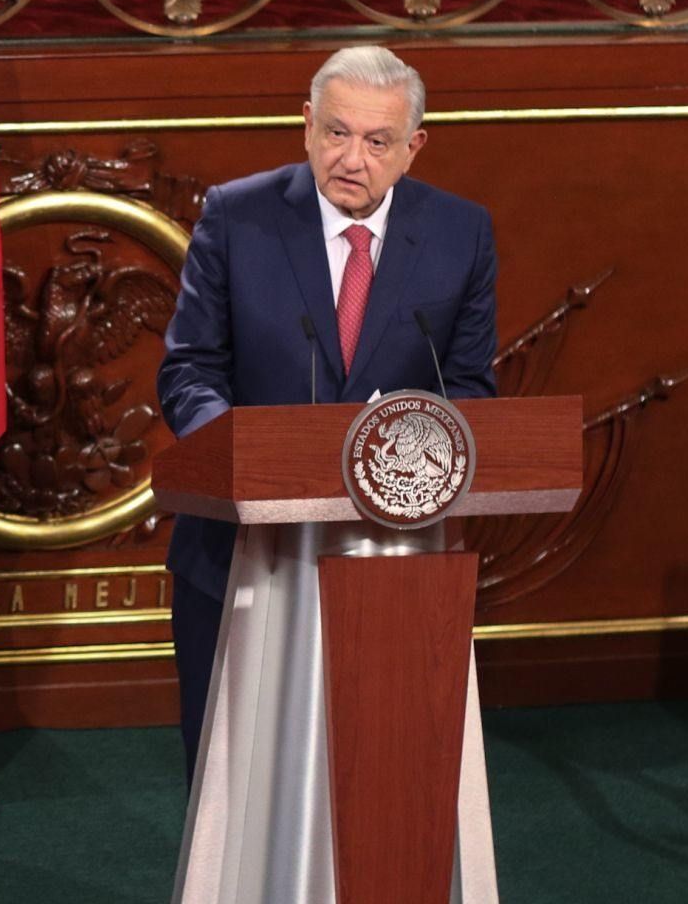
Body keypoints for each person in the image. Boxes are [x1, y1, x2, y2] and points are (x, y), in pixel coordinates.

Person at [156, 45, 499, 781]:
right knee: (234, 774)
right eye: (336, 133)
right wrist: (244, 457)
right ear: (307, 126)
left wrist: (406, 458)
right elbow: (189, 371)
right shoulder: (236, 217)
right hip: (242, 551)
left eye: (377, 142)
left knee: (379, 774)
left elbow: (468, 387)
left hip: (394, 556)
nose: (353, 158)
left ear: (413, 149)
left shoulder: (459, 234)